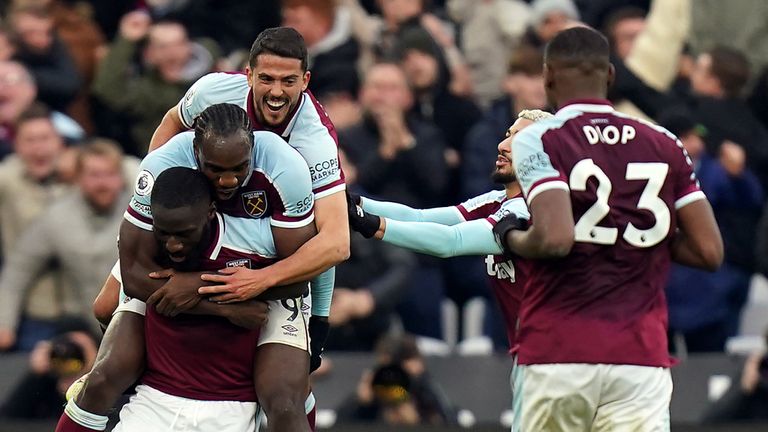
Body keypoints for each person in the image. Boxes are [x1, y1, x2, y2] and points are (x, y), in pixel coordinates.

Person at [494, 27, 723, 431]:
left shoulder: (540, 139)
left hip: (558, 349)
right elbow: (709, 252)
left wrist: (509, 234)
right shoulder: (664, 142)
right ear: (611, 76)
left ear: (548, 77)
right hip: (641, 356)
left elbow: (555, 237)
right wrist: (633, 230)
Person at [95, 25, 349, 373]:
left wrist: (277, 289)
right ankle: (130, 382)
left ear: (305, 81)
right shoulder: (213, 90)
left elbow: (335, 243)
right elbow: (172, 120)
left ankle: (303, 340)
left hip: (261, 226)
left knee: (287, 376)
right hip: (199, 210)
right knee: (103, 307)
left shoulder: (314, 142)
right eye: (267, 79)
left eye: (288, 81)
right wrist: (162, 192)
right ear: (248, 75)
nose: (276, 92)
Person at [55, 104, 318, 432]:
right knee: (104, 335)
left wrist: (198, 287)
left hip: (263, 271)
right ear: (195, 152)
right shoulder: (161, 167)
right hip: (181, 271)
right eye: (214, 168)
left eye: (239, 168)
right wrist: (214, 304)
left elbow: (299, 275)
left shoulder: (284, 167)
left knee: (284, 402)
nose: (227, 180)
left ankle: (301, 392)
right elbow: (136, 273)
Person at [347, 109, 552, 352]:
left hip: (553, 349)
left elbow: (451, 241)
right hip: (529, 347)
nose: (503, 145)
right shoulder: (498, 200)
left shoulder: (528, 208)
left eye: (519, 140)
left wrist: (371, 224)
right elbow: (419, 217)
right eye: (507, 135)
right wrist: (354, 202)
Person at [102, 167, 284, 431]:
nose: (173, 244)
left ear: (210, 213)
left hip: (231, 406)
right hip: (154, 398)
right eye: (164, 233)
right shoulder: (148, 242)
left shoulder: (257, 242)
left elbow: (292, 284)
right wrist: (222, 308)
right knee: (99, 379)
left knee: (287, 400)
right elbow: (110, 300)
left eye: (184, 234)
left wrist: (196, 284)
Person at [0, 139, 129, 339]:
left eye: (110, 174)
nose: (103, 183)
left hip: (136, 322)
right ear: (78, 177)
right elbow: (18, 271)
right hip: (82, 328)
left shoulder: (141, 211)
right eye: (94, 175)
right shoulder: (56, 217)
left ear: (121, 177)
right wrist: (4, 325)